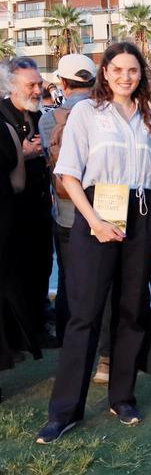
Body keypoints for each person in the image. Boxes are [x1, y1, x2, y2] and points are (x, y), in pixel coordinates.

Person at [36, 42, 151, 444]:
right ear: (104, 72)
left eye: (133, 70)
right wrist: (94, 221)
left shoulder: (147, 116)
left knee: (131, 309)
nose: (126, 77)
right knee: (85, 314)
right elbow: (69, 173)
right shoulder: (87, 112)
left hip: (142, 211)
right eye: (118, 69)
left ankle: (122, 397)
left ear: (141, 75)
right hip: (98, 210)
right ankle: (64, 411)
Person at [39, 54, 97, 347]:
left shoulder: (49, 119)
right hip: (103, 210)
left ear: (63, 82)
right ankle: (103, 344)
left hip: (65, 212)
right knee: (102, 278)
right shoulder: (105, 111)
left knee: (67, 279)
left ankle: (67, 338)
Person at [0, 57, 54, 349]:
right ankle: (20, 334)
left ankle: (37, 326)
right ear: (11, 86)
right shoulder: (2, 116)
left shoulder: (41, 116)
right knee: (16, 273)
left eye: (39, 83)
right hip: (11, 213)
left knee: (41, 266)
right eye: (30, 84)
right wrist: (23, 152)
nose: (37, 90)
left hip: (40, 208)